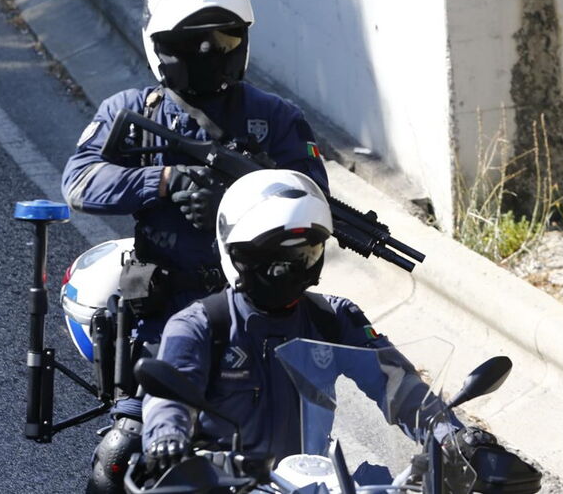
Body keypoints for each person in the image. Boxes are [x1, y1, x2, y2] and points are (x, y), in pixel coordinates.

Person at [63, 0, 329, 493]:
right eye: (191, 42)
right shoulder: (134, 110)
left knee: (296, 465)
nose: (209, 53)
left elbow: (314, 196)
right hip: (165, 317)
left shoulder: (274, 117)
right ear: (158, 44)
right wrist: (164, 181)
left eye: (224, 39)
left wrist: (240, 203)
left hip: (260, 313)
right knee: (120, 457)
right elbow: (80, 180)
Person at [142, 170, 495, 477]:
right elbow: (167, 401)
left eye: (304, 256)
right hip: (224, 484)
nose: (288, 271)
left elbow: (399, 388)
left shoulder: (333, 319)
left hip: (312, 483)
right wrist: (167, 438)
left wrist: (452, 436)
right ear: (237, 254)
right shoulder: (201, 325)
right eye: (274, 260)